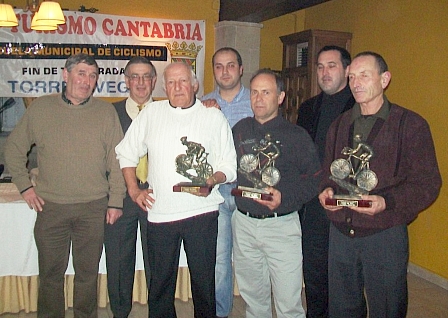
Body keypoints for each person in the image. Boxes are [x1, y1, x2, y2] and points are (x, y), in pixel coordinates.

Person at [318, 51, 442, 317]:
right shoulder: (339, 125)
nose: (356, 83)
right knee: (342, 309)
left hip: (384, 234)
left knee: (387, 307)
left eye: (365, 75)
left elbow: (428, 183)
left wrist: (388, 202)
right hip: (341, 232)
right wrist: (326, 189)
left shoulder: (410, 125)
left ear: (385, 79)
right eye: (352, 77)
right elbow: (328, 172)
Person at [4, 53, 126, 318]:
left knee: (87, 275)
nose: (87, 81)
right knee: (50, 274)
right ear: (65, 74)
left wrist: (116, 200)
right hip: (51, 209)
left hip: (93, 208)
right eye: (81, 73)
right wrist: (25, 187)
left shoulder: (105, 113)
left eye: (92, 76)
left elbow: (118, 160)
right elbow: (14, 149)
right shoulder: (40, 109)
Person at [115, 62, 237, 318]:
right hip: (161, 215)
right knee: (160, 286)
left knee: (204, 284)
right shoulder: (151, 113)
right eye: (171, 82)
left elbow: (229, 165)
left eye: (183, 81)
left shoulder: (213, 116)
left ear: (194, 85)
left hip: (202, 213)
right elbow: (125, 152)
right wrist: (134, 190)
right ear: (164, 87)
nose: (177, 87)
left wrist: (212, 180)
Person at [232, 68, 321, 318]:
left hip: (281, 227)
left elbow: (315, 180)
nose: (258, 99)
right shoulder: (239, 130)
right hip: (244, 224)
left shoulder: (297, 136)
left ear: (280, 97)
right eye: (255, 93)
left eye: (266, 92)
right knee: (254, 301)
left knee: (288, 304)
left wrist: (285, 200)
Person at [296, 45, 354, 318]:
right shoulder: (308, 109)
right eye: (320, 66)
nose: (324, 72)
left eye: (331, 65)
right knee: (315, 270)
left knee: (346, 276)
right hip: (314, 203)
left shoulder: (360, 107)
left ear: (346, 69)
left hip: (348, 205)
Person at [104, 56, 157, 318]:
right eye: (134, 76)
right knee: (118, 260)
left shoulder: (167, 110)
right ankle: (120, 312)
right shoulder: (108, 113)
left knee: (157, 260)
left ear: (154, 81)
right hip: (119, 198)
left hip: (156, 198)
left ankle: (158, 310)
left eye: (146, 76)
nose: (140, 82)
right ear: (126, 81)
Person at [202, 47, 252, 318]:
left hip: (247, 190)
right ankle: (221, 313)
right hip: (217, 194)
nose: (225, 71)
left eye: (231, 65)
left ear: (241, 69)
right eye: (219, 66)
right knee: (219, 260)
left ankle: (257, 309)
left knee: (250, 258)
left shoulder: (256, 101)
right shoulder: (201, 104)